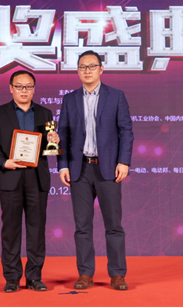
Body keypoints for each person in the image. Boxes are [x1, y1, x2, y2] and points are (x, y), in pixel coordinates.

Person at [57, 50, 134, 291]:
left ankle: (118, 274)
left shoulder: (116, 96)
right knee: (82, 226)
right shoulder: (69, 99)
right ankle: (85, 274)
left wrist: (124, 161)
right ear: (77, 71)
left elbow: (126, 131)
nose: (87, 71)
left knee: (114, 225)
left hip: (108, 168)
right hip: (79, 169)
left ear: (101, 69)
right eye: (82, 67)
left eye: (92, 66)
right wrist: (62, 165)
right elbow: (63, 134)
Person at [0, 70, 59, 293]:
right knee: (11, 229)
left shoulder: (45, 113)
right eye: (19, 86)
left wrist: (54, 140)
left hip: (37, 177)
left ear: (34, 89)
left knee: (37, 229)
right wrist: (3, 162)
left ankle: (35, 277)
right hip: (10, 175)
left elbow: (49, 147)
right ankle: (12, 277)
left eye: (28, 86)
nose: (24, 90)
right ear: (11, 88)